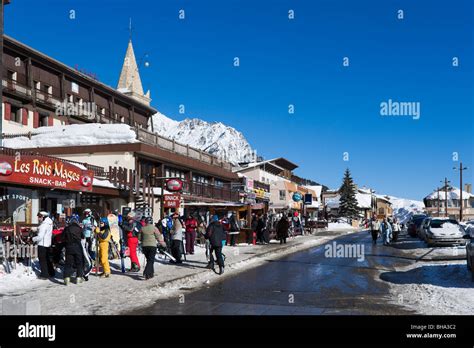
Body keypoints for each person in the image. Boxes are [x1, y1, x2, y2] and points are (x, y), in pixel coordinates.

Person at [62, 215, 84, 285]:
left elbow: (62, 237)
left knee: (68, 263)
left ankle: (66, 278)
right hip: (77, 247)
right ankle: (78, 277)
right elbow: (83, 236)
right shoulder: (79, 228)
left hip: (69, 247)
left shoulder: (67, 228)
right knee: (79, 262)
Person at [33, 211, 55, 279]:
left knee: (42, 260)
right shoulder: (49, 223)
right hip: (47, 243)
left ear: (44, 217)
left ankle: (44, 274)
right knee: (47, 259)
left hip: (42, 244)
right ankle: (51, 272)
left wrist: (32, 239)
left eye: (40, 217)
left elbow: (40, 236)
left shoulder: (44, 225)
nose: (38, 218)